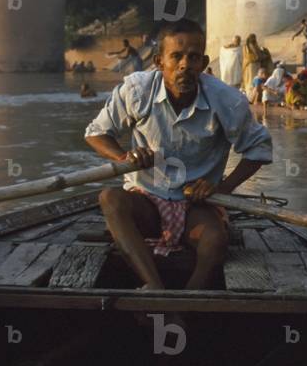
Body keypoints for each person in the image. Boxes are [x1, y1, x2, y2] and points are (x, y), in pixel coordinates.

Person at [85, 19, 272, 290]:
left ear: (204, 62)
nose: (185, 64)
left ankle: (184, 303)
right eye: (176, 57)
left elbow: (260, 148)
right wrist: (125, 157)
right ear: (160, 62)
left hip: (196, 206)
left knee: (215, 242)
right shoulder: (138, 90)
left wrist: (223, 188)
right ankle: (156, 291)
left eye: (193, 57)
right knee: (110, 200)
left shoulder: (225, 99)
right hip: (146, 201)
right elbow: (96, 132)